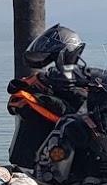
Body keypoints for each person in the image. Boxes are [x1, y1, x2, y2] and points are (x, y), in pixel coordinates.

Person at [6, 24, 97, 169]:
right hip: (34, 163)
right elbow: (15, 99)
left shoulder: (83, 82)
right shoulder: (43, 81)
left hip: (56, 163)